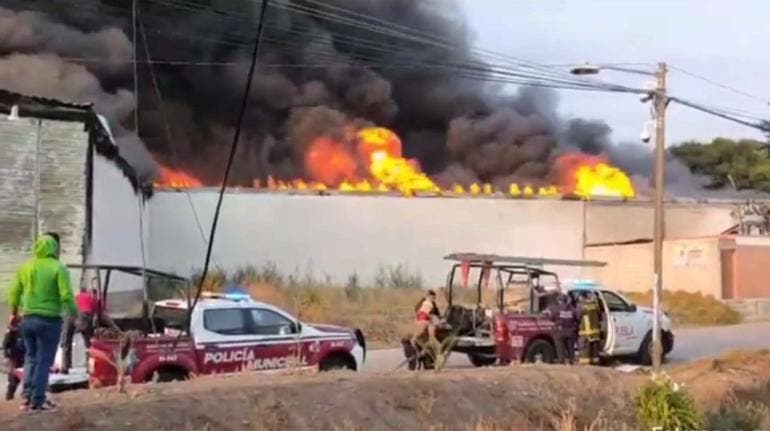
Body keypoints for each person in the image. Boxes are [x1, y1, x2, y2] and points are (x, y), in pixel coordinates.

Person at [8, 234, 76, 411]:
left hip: (28, 320)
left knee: (30, 357)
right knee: (44, 360)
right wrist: (74, 313)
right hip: (50, 320)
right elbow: (67, 295)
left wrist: (14, 313)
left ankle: (26, 398)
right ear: (54, 249)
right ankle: (38, 400)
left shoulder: (26, 267)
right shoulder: (58, 268)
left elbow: (14, 292)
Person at [60, 286, 99, 374]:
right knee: (89, 344)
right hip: (84, 316)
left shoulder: (76, 297)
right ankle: (89, 368)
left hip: (70, 315)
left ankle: (65, 367)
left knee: (67, 342)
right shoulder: (92, 299)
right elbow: (96, 315)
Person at [546, 293, 578, 364]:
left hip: (559, 332)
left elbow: (551, 318)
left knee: (560, 349)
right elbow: (577, 318)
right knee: (571, 349)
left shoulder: (556, 309)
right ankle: (571, 361)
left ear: (559, 300)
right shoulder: (572, 309)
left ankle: (562, 362)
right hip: (570, 331)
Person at [3, 316, 25, 400]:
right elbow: (5, 345)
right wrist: (6, 356)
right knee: (13, 381)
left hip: (23, 357)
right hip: (14, 358)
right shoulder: (10, 332)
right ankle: (9, 397)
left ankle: (25, 396)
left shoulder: (23, 331)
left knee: (26, 378)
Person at [577, 291, 602, 365]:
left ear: (581, 297)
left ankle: (585, 364)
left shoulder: (581, 305)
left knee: (584, 348)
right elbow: (599, 315)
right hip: (595, 331)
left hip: (586, 331)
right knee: (594, 349)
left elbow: (577, 316)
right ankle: (595, 363)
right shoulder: (595, 304)